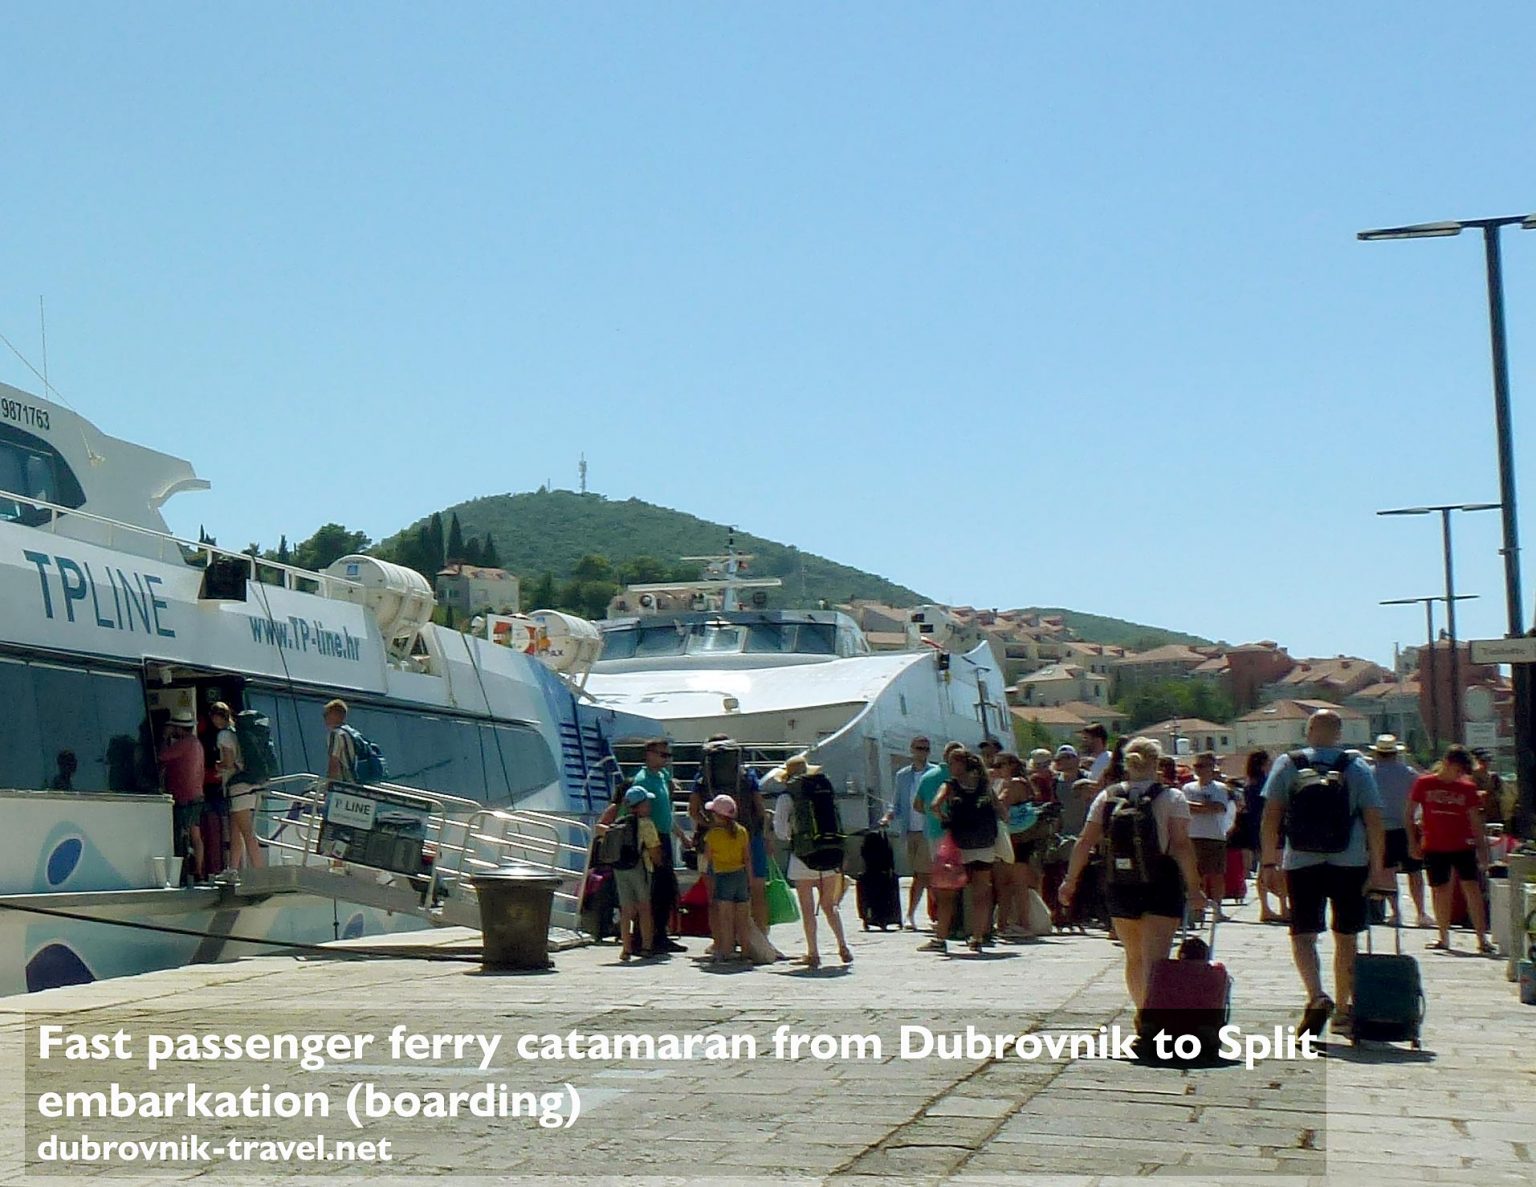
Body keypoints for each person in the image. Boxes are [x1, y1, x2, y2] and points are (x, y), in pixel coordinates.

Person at [1260, 709, 1389, 1038]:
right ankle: (1343, 1010)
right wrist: (1377, 869)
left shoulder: (1289, 764)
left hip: (1301, 861)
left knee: (1303, 934)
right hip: (1350, 860)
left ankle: (1316, 995)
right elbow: (1374, 820)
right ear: (1339, 732)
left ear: (1309, 730)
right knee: (1346, 936)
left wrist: (1269, 863)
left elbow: (1271, 816)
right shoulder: (1356, 765)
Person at [1060, 736, 1201, 1010]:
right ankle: (1154, 1024)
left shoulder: (1107, 796)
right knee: (1156, 958)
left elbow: (1085, 841)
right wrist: (1195, 889)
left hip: (1120, 883)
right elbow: (1181, 845)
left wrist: (1070, 881)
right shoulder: (1172, 797)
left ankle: (1142, 1015)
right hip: (1162, 882)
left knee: (1134, 957)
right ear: (1157, 764)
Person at [1408, 745, 1493, 954]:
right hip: (1435, 845)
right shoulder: (1424, 783)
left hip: (1462, 845)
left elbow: (1475, 820)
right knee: (1439, 890)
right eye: (1458, 769)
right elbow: (1409, 813)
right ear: (1447, 764)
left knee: (1472, 889)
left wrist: (1482, 848)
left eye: (1463, 771)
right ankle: (1443, 936)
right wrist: (1412, 841)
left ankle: (1482, 938)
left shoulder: (1467, 788)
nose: (1460, 774)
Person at [771, 753, 852, 969]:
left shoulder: (787, 797)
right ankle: (842, 945)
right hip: (829, 854)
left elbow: (781, 831)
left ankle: (813, 953)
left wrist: (795, 835)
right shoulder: (822, 792)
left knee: (808, 910)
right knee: (829, 905)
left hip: (803, 857)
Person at [929, 749, 1006, 953]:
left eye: (951, 763)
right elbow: (1002, 812)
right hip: (984, 845)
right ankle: (978, 937)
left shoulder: (951, 785)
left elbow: (934, 805)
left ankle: (940, 938)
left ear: (959, 765)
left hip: (959, 846)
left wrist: (946, 820)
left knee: (947, 894)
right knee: (981, 894)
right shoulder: (984, 786)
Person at [691, 736, 769, 932]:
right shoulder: (747, 774)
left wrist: (711, 825)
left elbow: (693, 811)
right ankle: (759, 938)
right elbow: (760, 809)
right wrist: (762, 835)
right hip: (748, 835)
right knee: (757, 891)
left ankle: (720, 942)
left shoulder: (702, 776)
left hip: (715, 840)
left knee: (715, 896)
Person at [624, 738, 690, 954]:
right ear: (649, 755)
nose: (666, 760)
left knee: (665, 890)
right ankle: (644, 937)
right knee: (651, 890)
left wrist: (681, 836)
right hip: (650, 839)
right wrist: (651, 847)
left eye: (668, 756)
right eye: (662, 755)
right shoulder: (642, 781)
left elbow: (666, 814)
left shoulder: (662, 776)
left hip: (663, 835)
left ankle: (660, 934)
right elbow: (640, 815)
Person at [1368, 734, 1428, 929]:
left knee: (1387, 871)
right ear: (1395, 753)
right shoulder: (1409, 773)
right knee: (1415, 871)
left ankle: (1396, 913)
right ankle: (1420, 913)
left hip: (1381, 829)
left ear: (1377, 753)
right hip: (1407, 826)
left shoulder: (1370, 774)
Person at [600, 786, 663, 962]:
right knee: (644, 908)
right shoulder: (646, 823)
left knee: (626, 910)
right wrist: (659, 864)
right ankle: (646, 947)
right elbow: (654, 850)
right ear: (640, 805)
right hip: (640, 868)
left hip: (620, 869)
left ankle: (626, 948)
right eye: (647, 802)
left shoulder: (619, 821)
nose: (649, 805)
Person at [888, 737, 940, 930]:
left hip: (929, 830)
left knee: (922, 874)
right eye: (919, 748)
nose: (922, 752)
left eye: (926, 749)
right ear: (911, 749)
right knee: (921, 874)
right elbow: (897, 803)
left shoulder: (934, 773)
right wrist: (888, 816)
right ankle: (936, 913)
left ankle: (912, 914)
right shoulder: (902, 775)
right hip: (910, 831)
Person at [993, 751, 1040, 940]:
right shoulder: (1019, 782)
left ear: (1011, 765)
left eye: (1000, 765)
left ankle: (1023, 923)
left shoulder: (1013, 783)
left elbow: (1000, 804)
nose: (996, 769)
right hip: (1015, 837)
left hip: (1017, 838)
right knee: (1006, 883)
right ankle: (1003, 923)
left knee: (1016, 883)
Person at [702, 794, 753, 966]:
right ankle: (745, 953)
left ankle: (726, 951)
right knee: (742, 919)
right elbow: (747, 858)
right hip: (740, 876)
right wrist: (750, 879)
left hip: (723, 876)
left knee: (725, 918)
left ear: (717, 815)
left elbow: (707, 859)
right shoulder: (742, 831)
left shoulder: (713, 835)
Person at [1239, 751, 1288, 923]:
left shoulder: (1249, 785)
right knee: (1279, 869)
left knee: (1263, 869)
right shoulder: (1267, 784)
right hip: (1274, 830)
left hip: (1256, 831)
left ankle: (1265, 908)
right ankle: (1283, 906)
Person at [158, 708, 206, 883]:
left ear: (178, 728)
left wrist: (164, 738)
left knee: (181, 834)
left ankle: (182, 872)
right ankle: (199, 871)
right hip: (197, 794)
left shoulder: (183, 744)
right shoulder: (196, 743)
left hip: (184, 796)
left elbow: (162, 756)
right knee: (196, 835)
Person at [1183, 752, 1232, 922]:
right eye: (1196, 766)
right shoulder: (1188, 788)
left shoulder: (1220, 788)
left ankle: (1217, 909)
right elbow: (1185, 807)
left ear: (1212, 768)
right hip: (1193, 835)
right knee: (1196, 875)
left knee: (1216, 874)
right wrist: (1203, 807)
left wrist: (1198, 807)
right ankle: (1197, 909)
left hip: (1214, 835)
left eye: (1202, 766)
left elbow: (1218, 807)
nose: (1199, 770)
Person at [323, 699, 356, 784]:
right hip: (356, 782)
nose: (324, 718)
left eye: (326, 714)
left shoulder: (335, 734)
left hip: (344, 784)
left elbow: (334, 762)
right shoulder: (351, 733)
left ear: (334, 715)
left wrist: (329, 784)